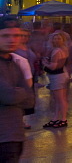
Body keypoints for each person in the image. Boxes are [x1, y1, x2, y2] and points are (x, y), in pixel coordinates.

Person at [0, 19, 34, 160]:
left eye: (16, 36)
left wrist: (18, 92)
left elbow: (30, 101)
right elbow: (9, 96)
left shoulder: (15, 63)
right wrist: (20, 91)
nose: (12, 40)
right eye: (5, 36)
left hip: (14, 136)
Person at [42, 31, 69, 128]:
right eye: (55, 38)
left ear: (63, 40)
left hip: (57, 76)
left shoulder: (56, 51)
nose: (56, 40)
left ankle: (63, 119)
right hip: (62, 75)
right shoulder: (64, 49)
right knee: (59, 99)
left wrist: (44, 63)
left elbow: (53, 67)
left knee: (60, 99)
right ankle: (56, 118)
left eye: (58, 38)